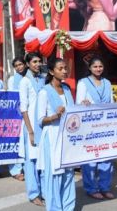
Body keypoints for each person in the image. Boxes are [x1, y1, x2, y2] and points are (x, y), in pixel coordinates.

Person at [36, 58, 75, 211]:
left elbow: (72, 112)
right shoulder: (44, 92)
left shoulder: (66, 89)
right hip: (52, 136)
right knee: (54, 175)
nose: (65, 71)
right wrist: (54, 116)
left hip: (66, 136)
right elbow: (40, 120)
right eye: (60, 68)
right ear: (52, 72)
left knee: (68, 173)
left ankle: (68, 207)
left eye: (65, 68)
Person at [76, 56, 115, 200]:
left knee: (106, 157)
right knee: (90, 158)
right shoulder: (83, 83)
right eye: (95, 66)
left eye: (100, 66)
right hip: (89, 126)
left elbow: (111, 102)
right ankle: (91, 188)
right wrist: (83, 103)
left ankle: (105, 187)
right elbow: (78, 104)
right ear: (89, 68)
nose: (98, 69)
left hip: (105, 125)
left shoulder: (107, 83)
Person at [18, 52, 45, 206]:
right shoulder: (25, 82)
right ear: (28, 64)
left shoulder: (42, 79)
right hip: (31, 126)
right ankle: (34, 193)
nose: (37, 64)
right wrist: (30, 131)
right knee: (31, 161)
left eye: (39, 61)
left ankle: (44, 191)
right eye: (34, 61)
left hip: (42, 124)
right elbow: (24, 108)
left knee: (42, 159)